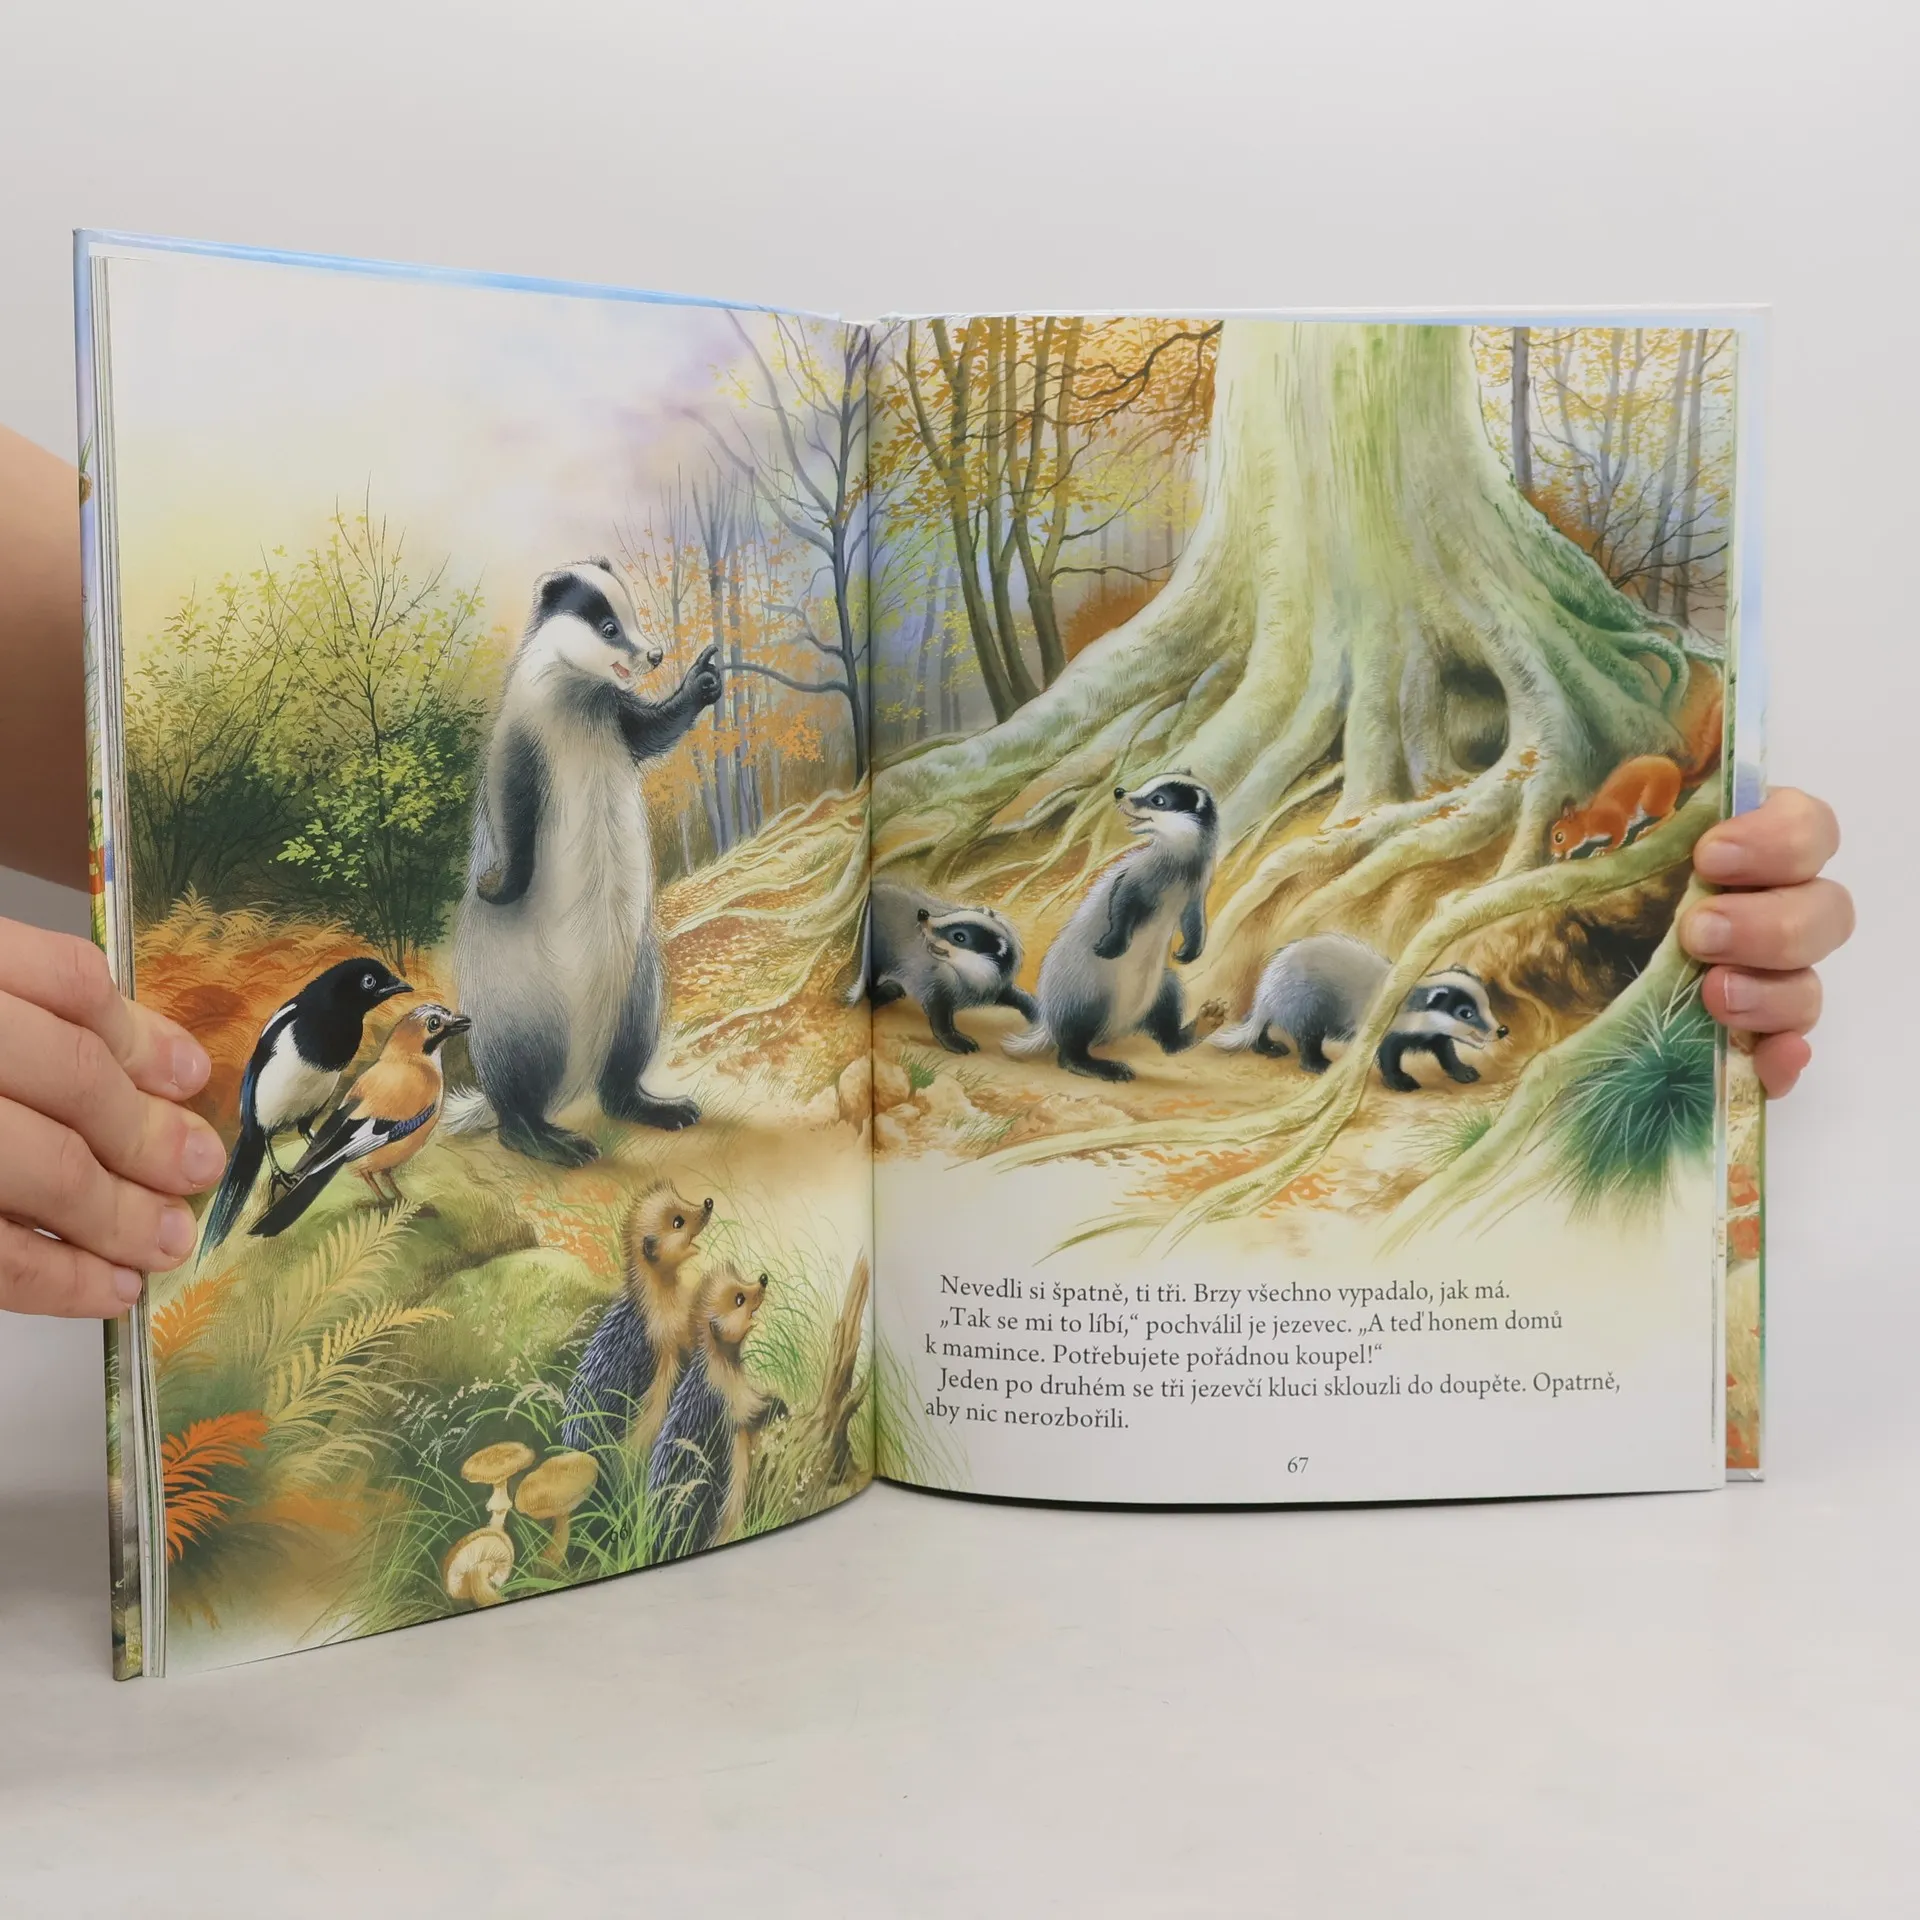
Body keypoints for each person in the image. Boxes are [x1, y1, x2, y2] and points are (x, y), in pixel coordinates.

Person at [0, 423, 1857, 1320]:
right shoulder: (528, 706)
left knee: (630, 987)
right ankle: (549, 1109)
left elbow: (88, 676)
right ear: (562, 629)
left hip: (620, 931)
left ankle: (616, 1085)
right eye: (602, 630)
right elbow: (503, 828)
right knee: (549, 1002)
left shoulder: (599, 699)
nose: (615, 648)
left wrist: (1666, 889)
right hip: (518, 946)